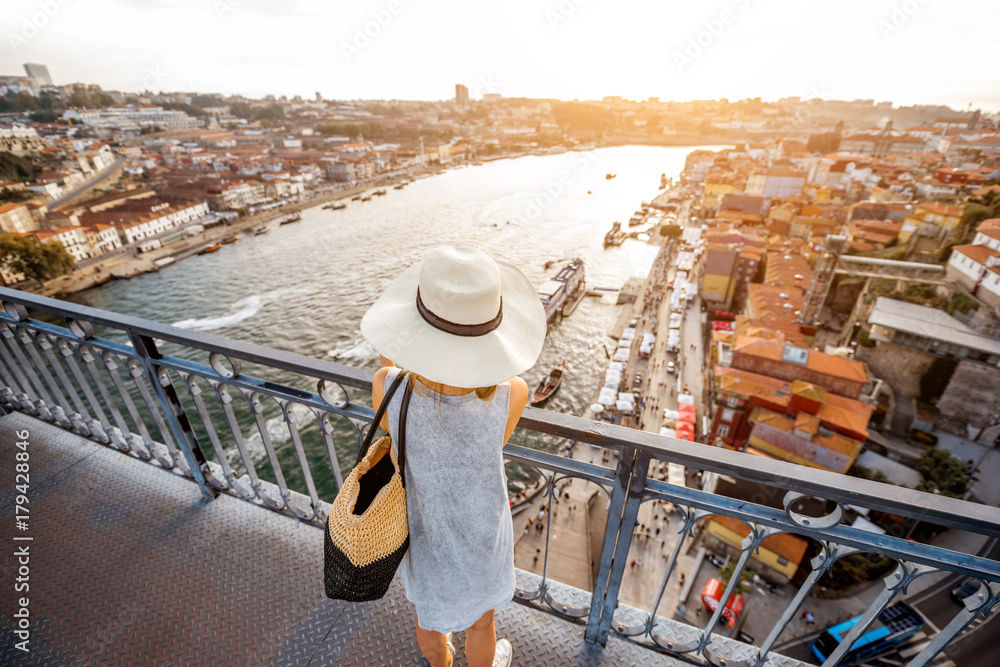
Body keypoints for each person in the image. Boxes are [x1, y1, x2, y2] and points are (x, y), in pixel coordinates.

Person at [363, 246, 546, 667]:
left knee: (430, 622)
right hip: (483, 536)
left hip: (425, 534)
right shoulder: (512, 393)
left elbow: (394, 395)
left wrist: (398, 349)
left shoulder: (385, 386)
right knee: (483, 624)